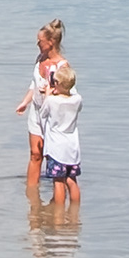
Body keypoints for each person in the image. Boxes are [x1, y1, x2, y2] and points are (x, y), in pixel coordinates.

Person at [32, 59, 84, 214]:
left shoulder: (52, 101)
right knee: (72, 180)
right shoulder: (77, 99)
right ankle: (75, 214)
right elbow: (73, 101)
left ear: (59, 85)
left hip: (57, 148)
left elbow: (42, 115)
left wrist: (48, 94)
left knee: (58, 182)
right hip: (72, 148)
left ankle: (58, 216)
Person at [23, 19, 65, 196]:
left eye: (40, 41)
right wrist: (24, 103)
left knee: (52, 156)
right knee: (35, 154)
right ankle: (32, 196)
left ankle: (58, 200)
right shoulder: (39, 59)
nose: (37, 44)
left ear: (51, 42)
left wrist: (52, 91)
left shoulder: (62, 66)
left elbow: (67, 93)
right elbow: (34, 85)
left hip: (53, 115)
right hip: (36, 111)